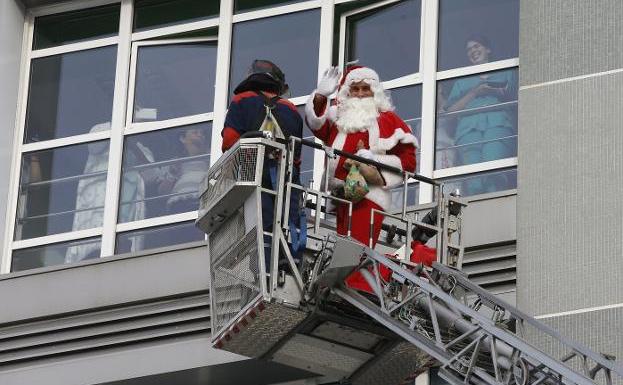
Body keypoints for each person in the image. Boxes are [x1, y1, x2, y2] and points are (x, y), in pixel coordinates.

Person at [305, 65, 418, 247]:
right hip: (341, 195)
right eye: (355, 89)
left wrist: (374, 159)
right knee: (344, 254)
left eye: (365, 89)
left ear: (375, 92)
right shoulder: (339, 117)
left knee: (355, 253)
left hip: (369, 195)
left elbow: (409, 162)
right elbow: (317, 126)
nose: (359, 93)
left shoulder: (390, 120)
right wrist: (320, 95)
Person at [221, 59, 304, 270]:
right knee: (290, 223)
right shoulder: (291, 110)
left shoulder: (241, 100)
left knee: (260, 225)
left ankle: (263, 270)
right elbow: (296, 156)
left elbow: (230, 141)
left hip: (254, 172)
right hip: (287, 177)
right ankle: (290, 267)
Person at [445, 35, 517, 194]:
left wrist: (496, 91)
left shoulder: (505, 71)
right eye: (469, 50)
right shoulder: (462, 81)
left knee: (495, 175)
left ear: (488, 49)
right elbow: (449, 113)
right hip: (468, 132)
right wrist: (475, 93)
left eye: (476, 46)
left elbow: (517, 96)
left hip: (498, 125)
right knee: (473, 183)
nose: (473, 51)